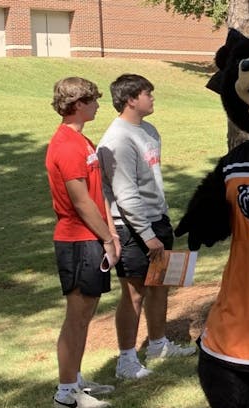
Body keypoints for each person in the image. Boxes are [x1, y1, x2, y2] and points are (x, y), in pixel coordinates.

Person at [97, 74, 195, 381]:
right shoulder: (117, 140)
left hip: (158, 219)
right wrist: (147, 236)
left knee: (161, 285)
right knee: (134, 293)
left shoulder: (149, 131)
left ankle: (158, 345)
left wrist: (160, 223)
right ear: (130, 100)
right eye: (147, 94)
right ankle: (126, 359)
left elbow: (151, 181)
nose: (153, 98)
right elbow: (125, 194)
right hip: (132, 227)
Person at [45, 77, 119, 408]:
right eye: (93, 100)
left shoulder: (82, 140)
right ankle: (65, 394)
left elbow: (96, 192)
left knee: (85, 314)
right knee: (76, 316)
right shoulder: (67, 145)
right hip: (77, 240)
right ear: (78, 104)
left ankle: (75, 380)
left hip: (91, 237)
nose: (99, 105)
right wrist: (107, 237)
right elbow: (81, 202)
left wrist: (110, 234)